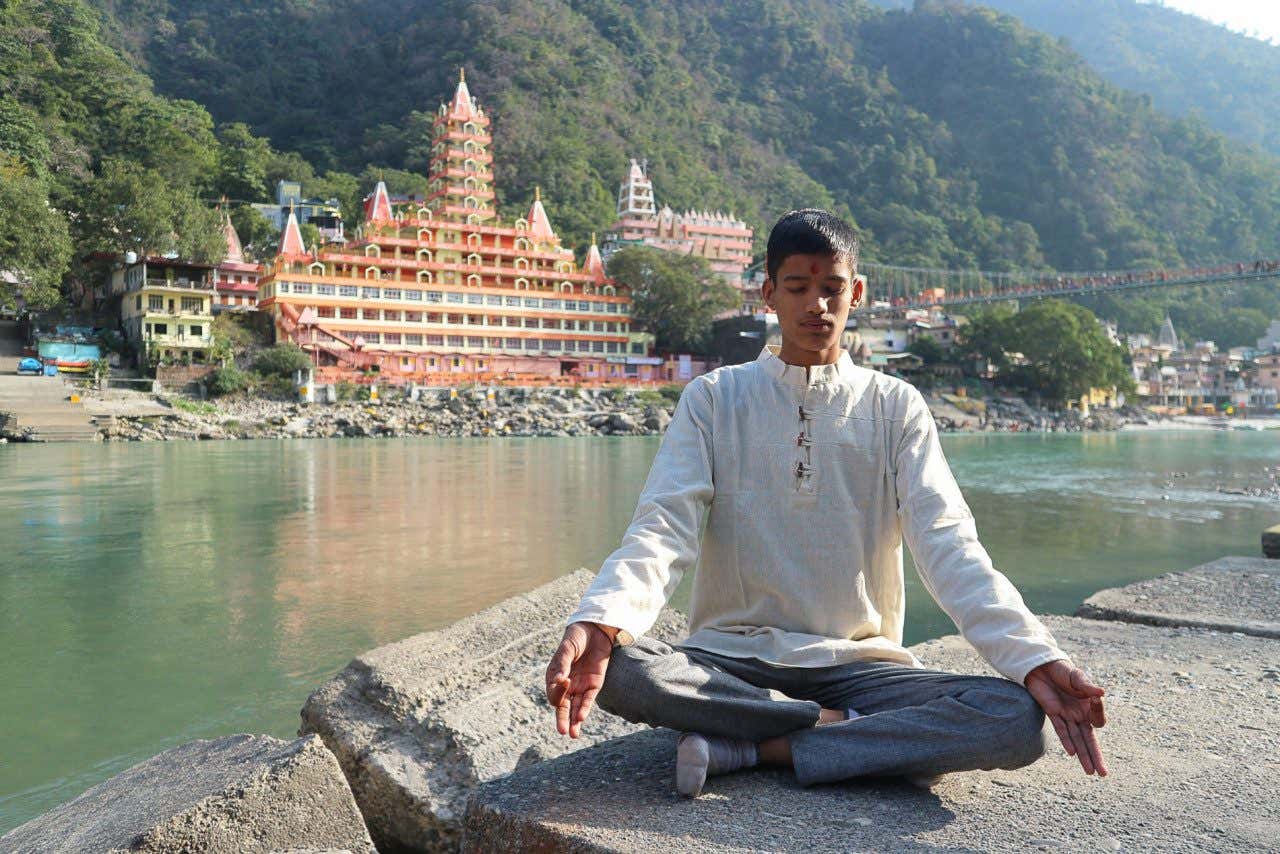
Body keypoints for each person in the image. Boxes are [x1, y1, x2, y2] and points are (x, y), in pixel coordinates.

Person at [545, 209, 1107, 798]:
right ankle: (847, 736)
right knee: (623, 671)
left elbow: (949, 545)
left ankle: (757, 744)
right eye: (798, 288)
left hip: (860, 668)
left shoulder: (896, 407)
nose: (816, 305)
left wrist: (1036, 659)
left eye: (832, 288)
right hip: (731, 660)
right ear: (768, 294)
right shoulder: (715, 399)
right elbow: (663, 529)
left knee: (1012, 718)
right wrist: (600, 619)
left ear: (856, 293)